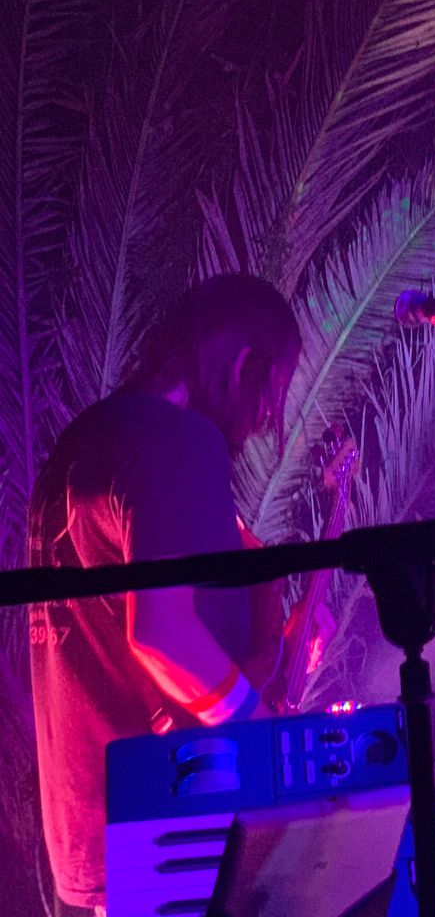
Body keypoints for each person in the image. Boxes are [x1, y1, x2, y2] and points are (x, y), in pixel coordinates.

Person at [28, 274, 301, 917]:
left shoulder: (82, 442)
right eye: (274, 395)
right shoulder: (179, 440)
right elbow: (161, 632)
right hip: (162, 842)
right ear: (245, 366)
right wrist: (262, 732)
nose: (266, 423)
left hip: (85, 850)